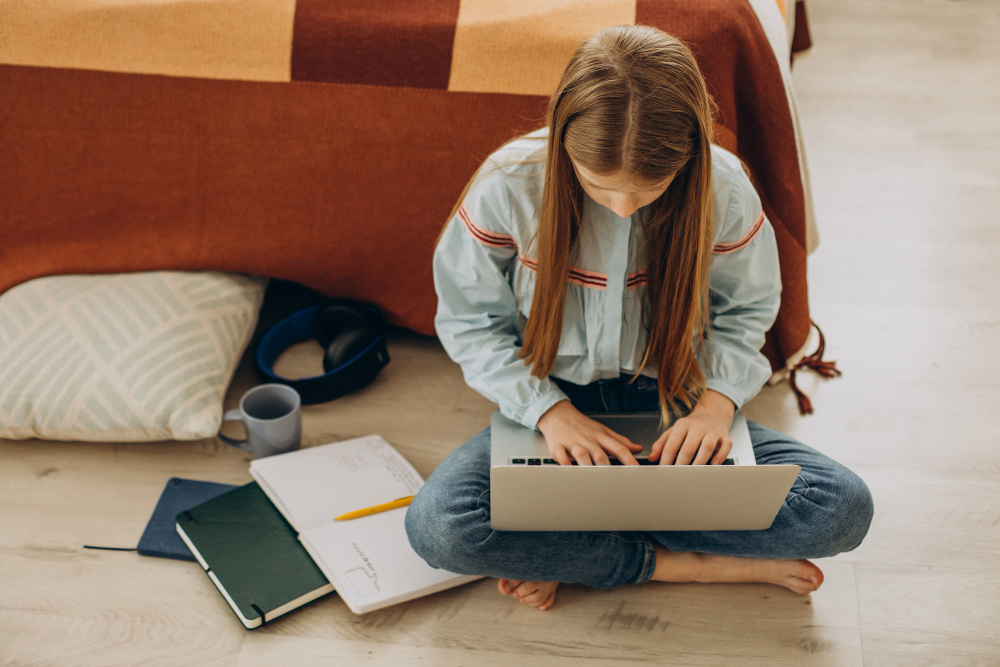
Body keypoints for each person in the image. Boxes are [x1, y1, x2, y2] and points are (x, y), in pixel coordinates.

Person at [404, 24, 873, 612]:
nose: (623, 209)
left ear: (687, 156)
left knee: (841, 508)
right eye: (599, 187)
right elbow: (470, 322)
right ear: (564, 146)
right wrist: (552, 414)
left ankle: (565, 550)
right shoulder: (508, 184)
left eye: (648, 190)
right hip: (549, 403)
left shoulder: (724, 188)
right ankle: (683, 566)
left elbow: (747, 311)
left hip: (674, 398)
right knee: (440, 528)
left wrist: (716, 406)